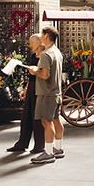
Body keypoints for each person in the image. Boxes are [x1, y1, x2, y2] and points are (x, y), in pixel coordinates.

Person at [28, 26, 64, 164]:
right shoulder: (57, 52)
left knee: (46, 122)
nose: (40, 37)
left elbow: (44, 74)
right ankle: (58, 148)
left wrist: (34, 71)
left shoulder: (45, 54)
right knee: (56, 119)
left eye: (42, 35)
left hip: (46, 93)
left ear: (47, 36)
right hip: (56, 91)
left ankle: (48, 153)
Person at [6, 34, 45, 153]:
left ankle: (40, 145)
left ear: (39, 42)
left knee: (37, 116)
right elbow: (30, 76)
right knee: (26, 116)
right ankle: (22, 143)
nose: (30, 45)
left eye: (31, 43)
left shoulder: (44, 56)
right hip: (32, 86)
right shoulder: (34, 56)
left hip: (40, 87)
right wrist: (26, 89)